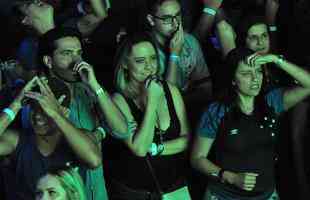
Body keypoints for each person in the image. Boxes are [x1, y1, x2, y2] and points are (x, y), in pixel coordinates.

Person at [191, 47, 310, 199]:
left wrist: (276, 60)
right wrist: (230, 177)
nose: (255, 78)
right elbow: (197, 159)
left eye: (259, 71)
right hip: (224, 196)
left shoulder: (272, 101)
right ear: (233, 79)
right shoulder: (217, 111)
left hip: (266, 195)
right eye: (246, 73)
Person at [34, 26, 129, 200]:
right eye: (67, 53)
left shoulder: (86, 89)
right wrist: (98, 133)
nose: (76, 60)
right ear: (48, 61)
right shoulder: (37, 98)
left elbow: (122, 131)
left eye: (78, 52)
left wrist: (95, 86)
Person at [105, 32, 191, 199]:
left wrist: (156, 148)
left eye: (153, 58)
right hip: (136, 192)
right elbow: (139, 148)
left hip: (174, 188)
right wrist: (152, 101)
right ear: (124, 64)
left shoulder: (170, 90)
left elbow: (187, 140)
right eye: (140, 61)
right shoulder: (119, 100)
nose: (149, 66)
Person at [0, 76, 102, 199]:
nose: (37, 115)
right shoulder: (17, 140)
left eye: (44, 109)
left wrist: (56, 114)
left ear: (64, 112)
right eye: (33, 108)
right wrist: (16, 105)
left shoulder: (81, 138)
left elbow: (94, 160)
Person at [145, 0, 212, 97]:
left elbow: (205, 87)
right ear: (151, 20)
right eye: (167, 19)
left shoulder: (190, 41)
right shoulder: (144, 50)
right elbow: (166, 101)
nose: (175, 23)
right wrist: (174, 55)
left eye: (178, 15)